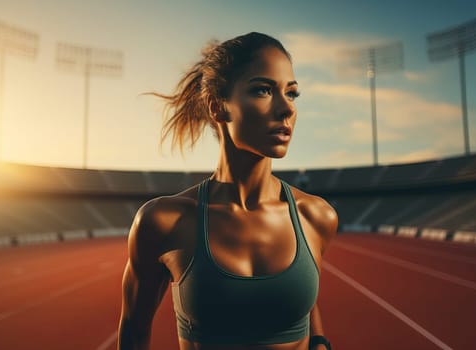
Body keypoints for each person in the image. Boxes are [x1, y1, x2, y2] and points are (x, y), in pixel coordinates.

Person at [118, 32, 338, 350]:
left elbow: (302, 308)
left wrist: (319, 342)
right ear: (218, 108)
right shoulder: (164, 222)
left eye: (292, 94)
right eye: (263, 90)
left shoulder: (315, 216)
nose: (286, 109)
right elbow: (134, 333)